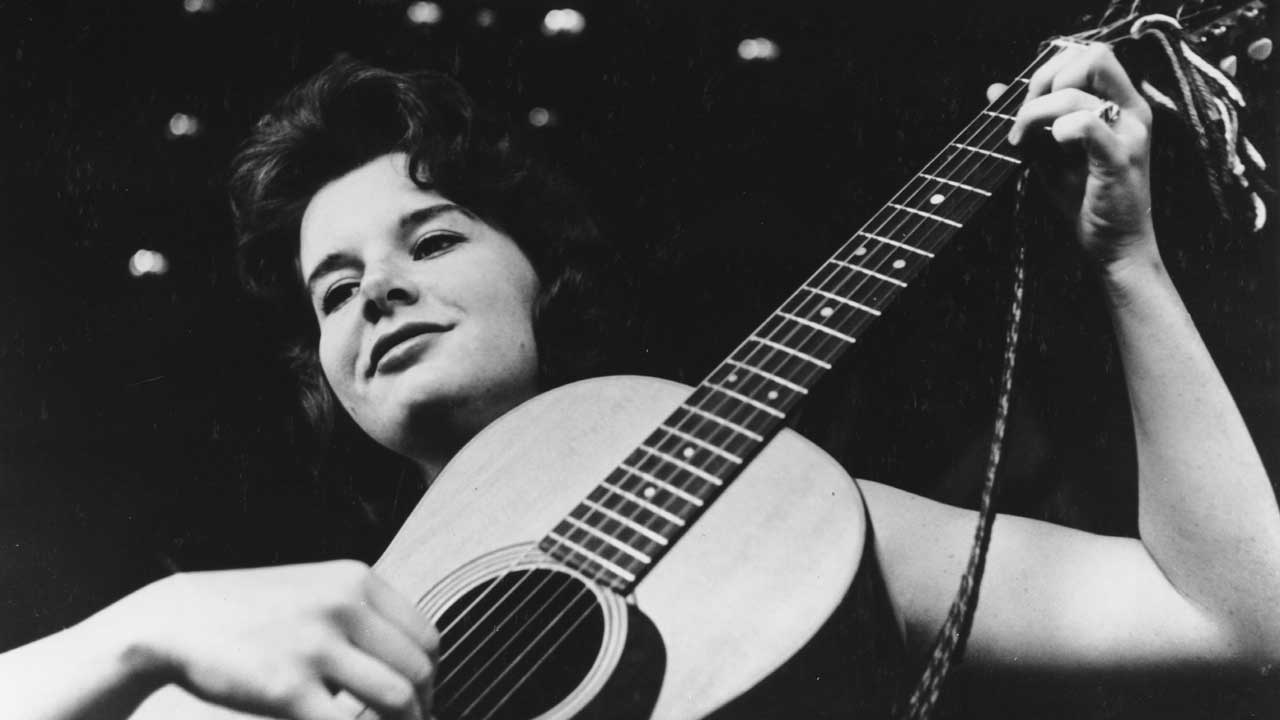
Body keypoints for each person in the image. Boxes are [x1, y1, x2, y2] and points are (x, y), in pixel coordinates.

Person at [2, 41, 1278, 720]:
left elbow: (1231, 623)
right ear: (325, 371)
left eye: (432, 238)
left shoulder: (800, 520)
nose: (375, 290)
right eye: (332, 289)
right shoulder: (281, 642)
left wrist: (1124, 265)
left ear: (545, 278)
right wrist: (135, 631)